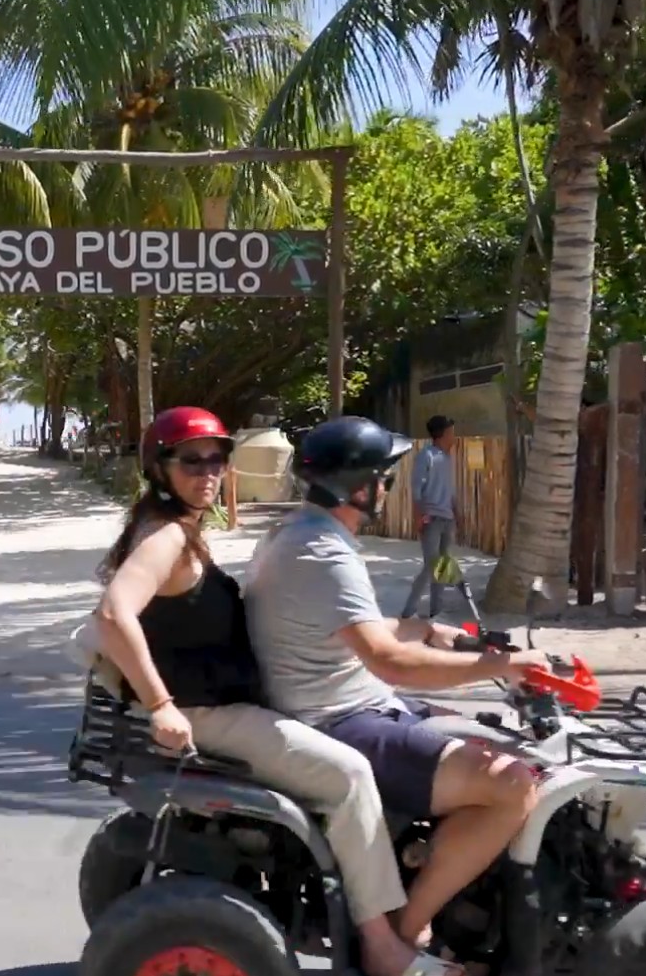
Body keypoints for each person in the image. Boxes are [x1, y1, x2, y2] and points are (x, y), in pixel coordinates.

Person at [92, 407, 462, 976]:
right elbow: (115, 613)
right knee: (349, 775)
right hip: (209, 713)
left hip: (223, 704)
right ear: (159, 468)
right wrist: (162, 706)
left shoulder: (177, 526)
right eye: (192, 460)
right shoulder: (165, 535)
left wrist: (420, 630)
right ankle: (382, 944)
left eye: (218, 458)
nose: (208, 471)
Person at [246, 415, 561, 952]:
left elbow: (350, 631)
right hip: (341, 719)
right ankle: (408, 927)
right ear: (359, 486)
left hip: (349, 703)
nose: (389, 486)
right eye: (383, 476)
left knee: (494, 741)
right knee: (515, 783)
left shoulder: (300, 534)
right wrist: (506, 666)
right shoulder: (325, 553)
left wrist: (425, 629)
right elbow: (391, 663)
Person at [399, 415, 457, 619]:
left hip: (447, 518)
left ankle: (436, 611)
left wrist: (456, 513)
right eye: (451, 432)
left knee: (442, 565)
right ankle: (409, 611)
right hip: (431, 518)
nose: (453, 436)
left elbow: (450, 490)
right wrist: (418, 516)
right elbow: (416, 489)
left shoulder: (447, 457)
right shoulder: (426, 455)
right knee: (431, 565)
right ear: (441, 434)